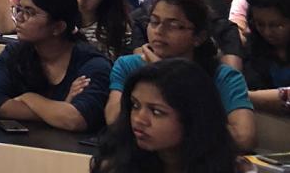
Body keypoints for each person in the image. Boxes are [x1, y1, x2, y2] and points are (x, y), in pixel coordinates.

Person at [104, 0, 255, 150]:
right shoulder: (128, 66)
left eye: (173, 26)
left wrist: (168, 77)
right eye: (154, 22)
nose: (159, 31)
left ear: (199, 37)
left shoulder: (223, 76)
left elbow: (244, 138)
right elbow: (114, 120)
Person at [0, 0, 112, 132]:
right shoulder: (14, 53)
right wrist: (60, 108)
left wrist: (30, 98)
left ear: (58, 27)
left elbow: (76, 119)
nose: (19, 18)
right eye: (18, 9)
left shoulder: (92, 63)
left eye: (29, 12)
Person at [91, 59, 241, 173]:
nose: (138, 119)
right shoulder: (115, 166)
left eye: (156, 112)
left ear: (192, 117)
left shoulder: (232, 168)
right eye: (135, 106)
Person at [130, 0, 245, 70]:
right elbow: (139, 67)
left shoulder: (223, 28)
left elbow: (231, 75)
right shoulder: (143, 23)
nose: (157, 0)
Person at [243, 0, 290, 115]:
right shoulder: (251, 47)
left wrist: (242, 97)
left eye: (277, 25)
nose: (267, 32)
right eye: (260, 24)